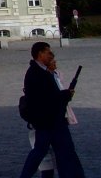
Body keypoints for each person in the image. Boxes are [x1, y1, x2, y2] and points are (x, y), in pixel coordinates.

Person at [19, 42, 85, 178]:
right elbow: (47, 98)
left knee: (61, 152)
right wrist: (66, 95)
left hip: (52, 120)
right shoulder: (35, 73)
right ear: (40, 54)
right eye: (48, 52)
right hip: (48, 121)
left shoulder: (41, 71)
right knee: (45, 153)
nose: (52, 55)